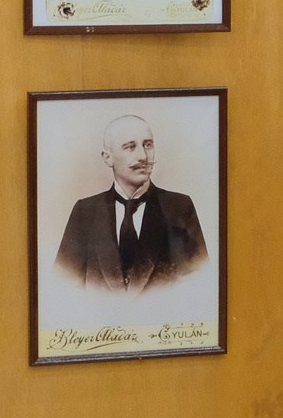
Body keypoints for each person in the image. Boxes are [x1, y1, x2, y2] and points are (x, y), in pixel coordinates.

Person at [54, 115, 209, 294]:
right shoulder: (85, 212)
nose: (143, 156)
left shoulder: (179, 208)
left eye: (148, 145)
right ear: (107, 158)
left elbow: (199, 285)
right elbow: (64, 288)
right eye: (130, 147)